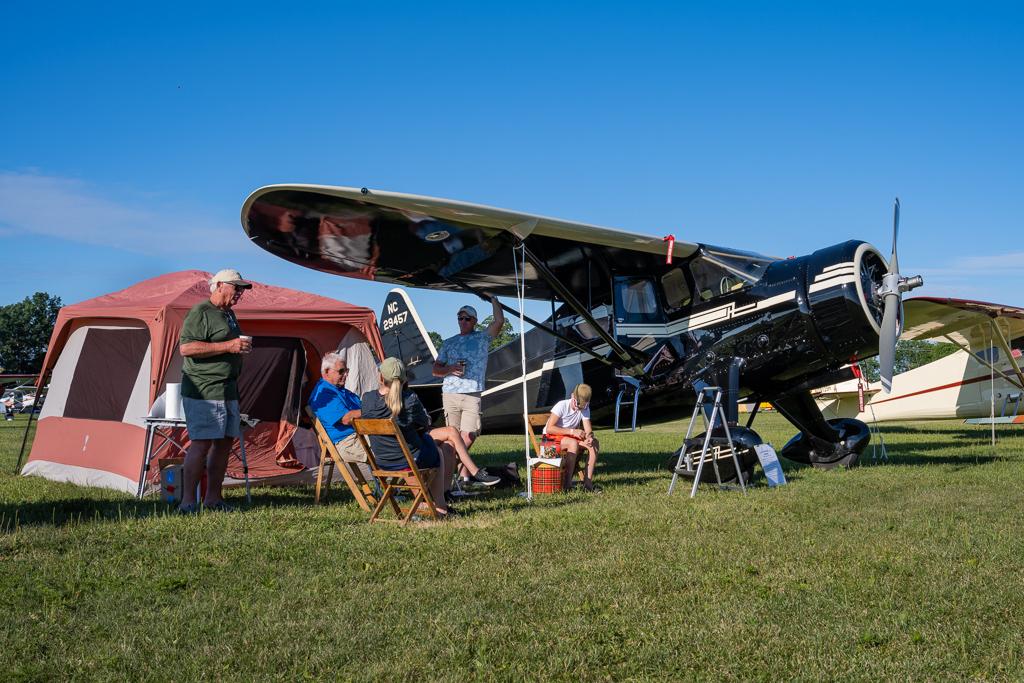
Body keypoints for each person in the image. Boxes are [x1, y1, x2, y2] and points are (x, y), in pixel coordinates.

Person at [177, 269, 253, 513]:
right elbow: (187, 348)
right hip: (204, 390)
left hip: (227, 389)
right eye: (236, 287)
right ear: (219, 285)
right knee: (201, 444)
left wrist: (237, 349)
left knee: (223, 444)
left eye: (242, 289)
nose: (240, 293)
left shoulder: (228, 314)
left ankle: (213, 499)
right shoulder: (201, 311)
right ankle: (188, 501)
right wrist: (228, 346)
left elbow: (226, 347)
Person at [360, 357, 455, 517]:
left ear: (381, 377)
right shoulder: (409, 399)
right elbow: (426, 423)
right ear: (404, 379)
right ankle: (440, 507)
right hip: (408, 461)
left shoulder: (367, 399)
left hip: (382, 462)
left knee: (425, 447)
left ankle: (427, 503)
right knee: (437, 451)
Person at [432, 295, 504, 480]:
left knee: (469, 435)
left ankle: (446, 468)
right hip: (450, 394)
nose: (463, 321)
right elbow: (435, 369)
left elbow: (499, 320)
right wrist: (449, 369)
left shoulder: (482, 338)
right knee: (451, 438)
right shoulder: (449, 342)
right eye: (460, 318)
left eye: (467, 318)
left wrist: (493, 299)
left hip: (472, 393)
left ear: (474, 321)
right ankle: (459, 477)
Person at [308, 352, 373, 485]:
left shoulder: (341, 390)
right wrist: (375, 409)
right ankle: (399, 492)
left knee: (402, 441)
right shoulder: (323, 394)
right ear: (326, 372)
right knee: (393, 447)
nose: (346, 374)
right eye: (341, 371)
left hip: (361, 435)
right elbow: (346, 419)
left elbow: (361, 409)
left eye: (346, 370)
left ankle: (396, 490)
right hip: (346, 442)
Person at [543, 383, 601, 492]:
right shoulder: (561, 405)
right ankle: (567, 484)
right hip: (550, 438)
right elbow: (549, 428)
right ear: (572, 397)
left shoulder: (584, 408)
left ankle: (588, 483)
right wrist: (572, 431)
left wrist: (590, 437)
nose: (579, 409)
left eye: (582, 407)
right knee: (573, 443)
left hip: (570, 437)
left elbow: (588, 429)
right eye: (578, 406)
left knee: (594, 444)